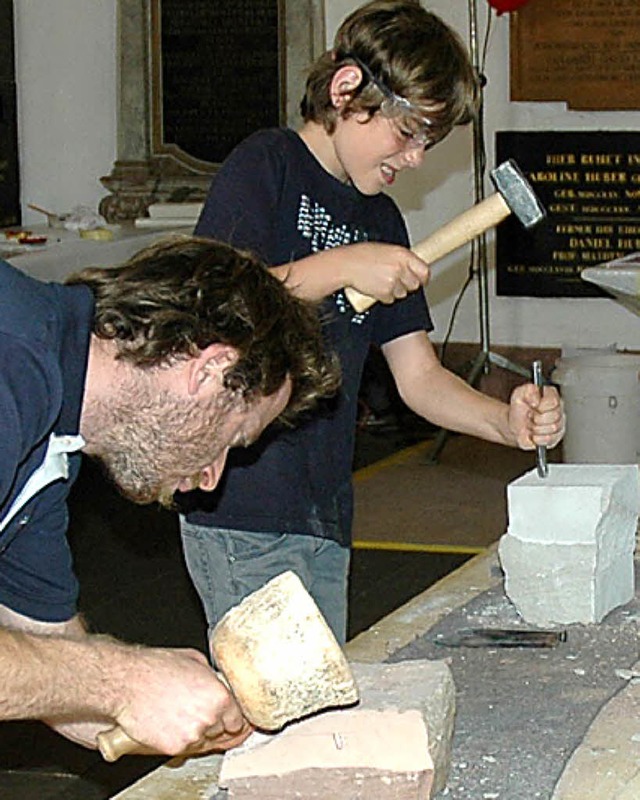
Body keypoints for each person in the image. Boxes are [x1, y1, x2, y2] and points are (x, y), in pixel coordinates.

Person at [180, 0, 565, 646]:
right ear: (346, 88)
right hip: (239, 507)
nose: (416, 158)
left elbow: (419, 377)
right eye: (407, 131)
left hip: (324, 512)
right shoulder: (266, 166)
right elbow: (217, 303)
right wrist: (343, 266)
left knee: (318, 700)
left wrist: (506, 421)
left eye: (429, 142)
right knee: (279, 706)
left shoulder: (382, 220)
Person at [0, 235, 339, 757]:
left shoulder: (50, 448)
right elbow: (88, 678)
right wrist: (124, 682)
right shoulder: (12, 363)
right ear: (209, 370)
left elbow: (47, 657)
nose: (212, 477)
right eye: (232, 438)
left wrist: (207, 714)